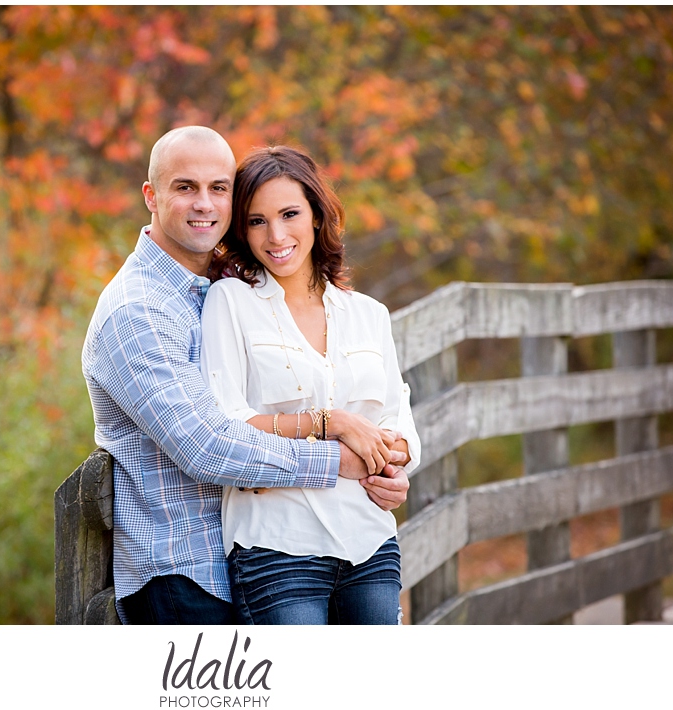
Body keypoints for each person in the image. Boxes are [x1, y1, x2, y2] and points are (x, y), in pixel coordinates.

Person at [82, 126, 411, 624]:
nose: (204, 204)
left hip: (240, 562)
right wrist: (343, 457)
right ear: (151, 196)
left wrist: (391, 465)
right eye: (184, 187)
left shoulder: (214, 286)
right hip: (182, 576)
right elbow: (207, 449)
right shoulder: (139, 311)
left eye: (219, 188)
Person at [200, 145, 421, 624]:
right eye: (257, 221)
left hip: (369, 539)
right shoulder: (230, 303)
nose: (276, 235)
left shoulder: (368, 314)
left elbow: (398, 422)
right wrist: (332, 423)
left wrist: (396, 465)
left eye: (289, 214)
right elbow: (227, 423)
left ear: (318, 217)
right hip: (278, 547)